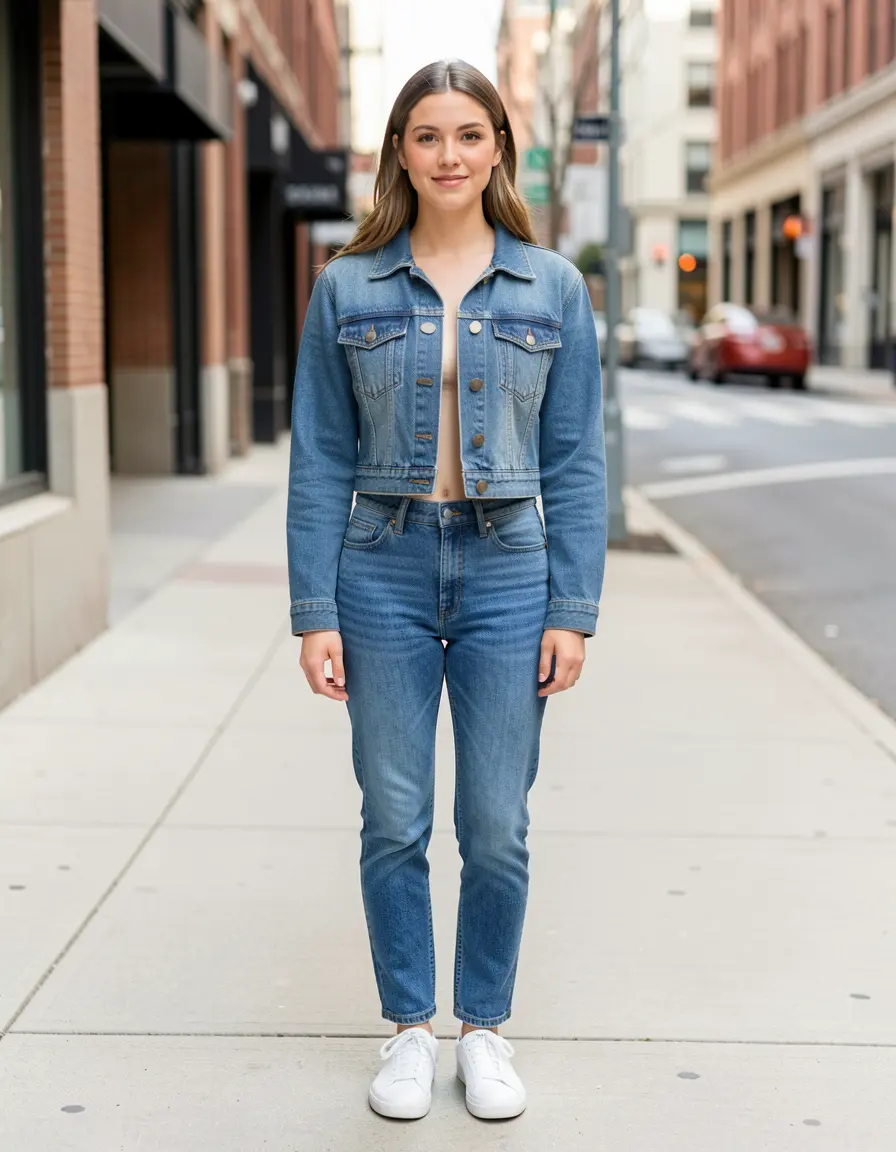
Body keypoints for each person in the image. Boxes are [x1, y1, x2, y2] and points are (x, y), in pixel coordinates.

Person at [286, 59, 607, 1121]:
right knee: (392, 814)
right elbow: (319, 457)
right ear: (399, 153)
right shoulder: (349, 285)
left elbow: (572, 461)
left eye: (469, 134)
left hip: (510, 571)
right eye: (427, 136)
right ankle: (409, 1031)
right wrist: (313, 610)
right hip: (378, 565)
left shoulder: (551, 286)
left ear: (499, 149)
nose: (449, 155)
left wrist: (572, 607)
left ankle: (484, 1029)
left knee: (496, 822)